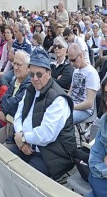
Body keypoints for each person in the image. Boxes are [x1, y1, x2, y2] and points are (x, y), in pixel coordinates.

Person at [11, 48, 77, 179]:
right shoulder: (31, 89)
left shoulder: (58, 99)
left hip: (52, 153)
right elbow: (18, 115)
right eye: (32, 74)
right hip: (27, 144)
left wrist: (23, 138)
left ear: (49, 73)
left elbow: (47, 135)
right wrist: (20, 138)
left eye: (39, 74)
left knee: (25, 179)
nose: (35, 79)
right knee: (3, 160)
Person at [67, 43, 99, 124]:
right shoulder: (76, 71)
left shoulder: (91, 73)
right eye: (70, 60)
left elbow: (89, 103)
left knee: (64, 120)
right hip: (73, 106)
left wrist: (72, 107)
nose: (72, 63)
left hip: (85, 110)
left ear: (81, 55)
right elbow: (70, 92)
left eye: (73, 60)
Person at [0, 50, 31, 126]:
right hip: (7, 123)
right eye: (14, 63)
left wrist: (6, 101)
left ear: (28, 67)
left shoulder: (29, 85)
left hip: (17, 129)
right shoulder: (14, 80)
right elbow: (2, 102)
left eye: (19, 64)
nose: (15, 67)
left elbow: (14, 107)